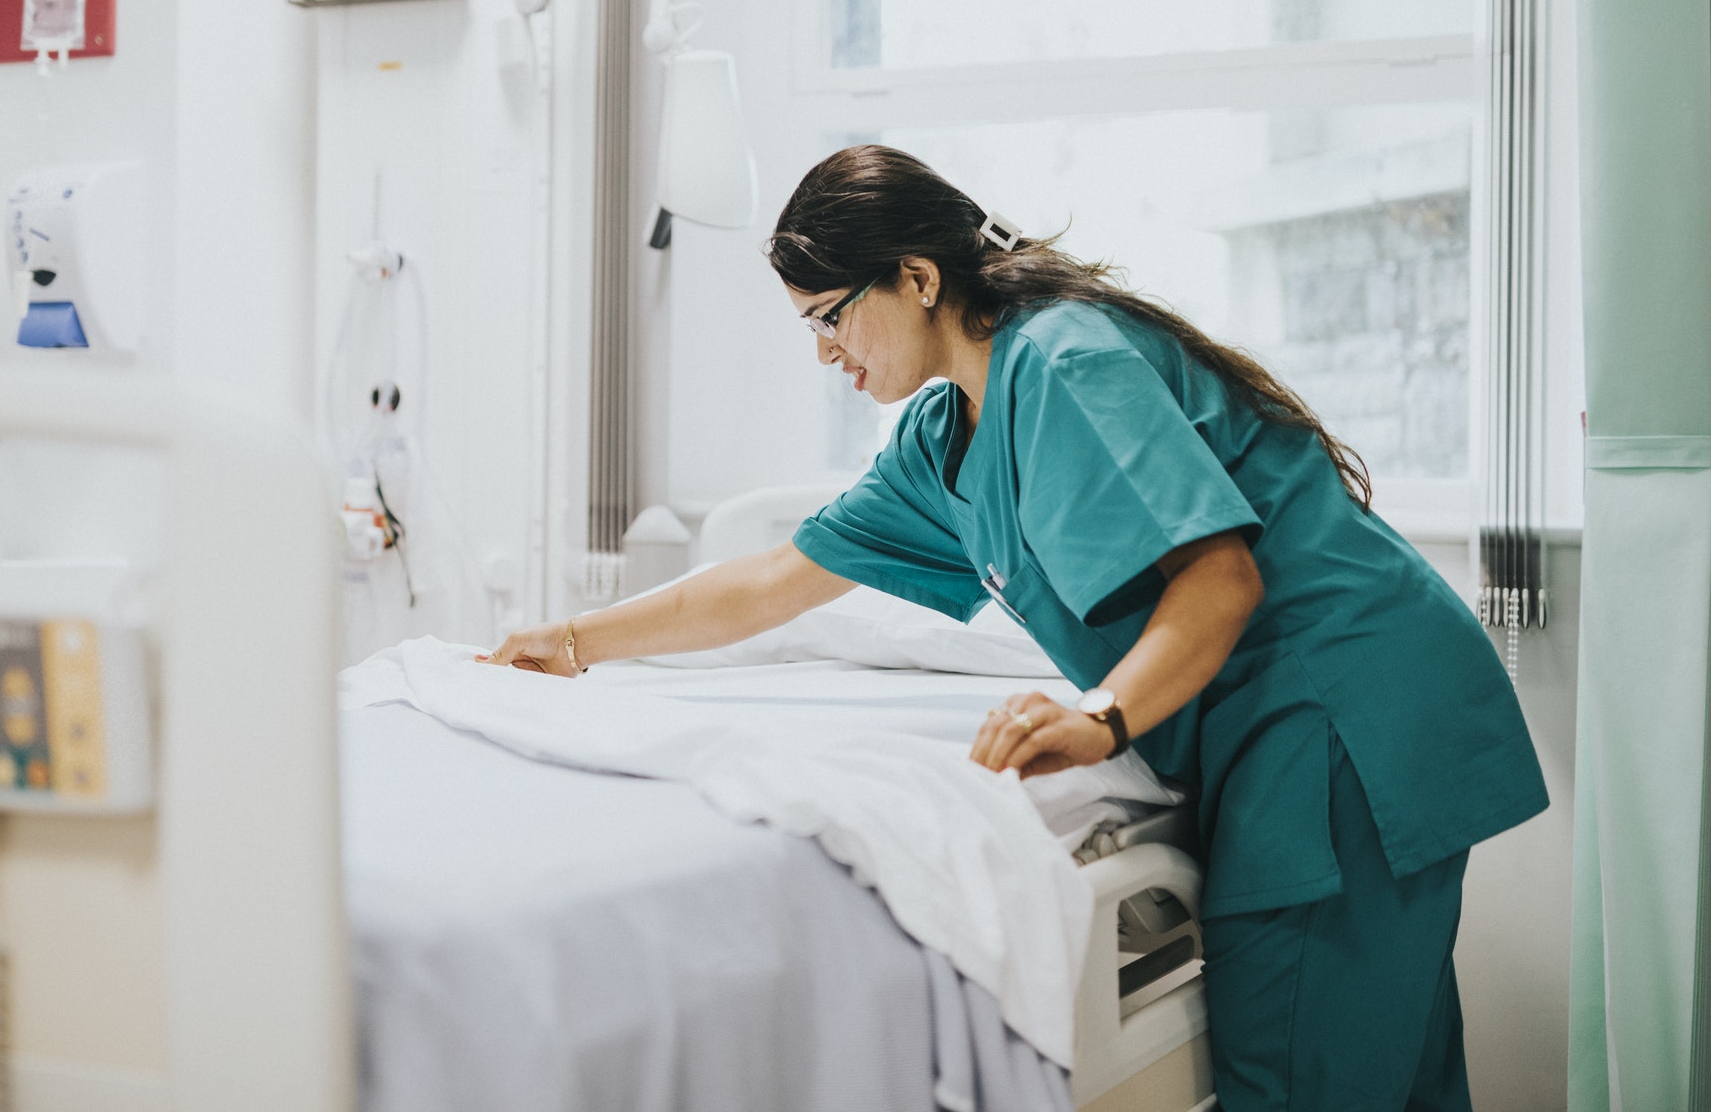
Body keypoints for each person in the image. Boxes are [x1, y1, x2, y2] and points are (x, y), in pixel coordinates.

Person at [483, 144, 1546, 1110]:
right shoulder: (944, 433)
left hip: (1340, 711)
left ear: (915, 276)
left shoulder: (1062, 362)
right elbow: (775, 574)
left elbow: (1218, 581)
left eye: (827, 317)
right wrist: (573, 641)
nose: (823, 354)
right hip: (1304, 722)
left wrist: (1098, 719)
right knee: (1389, 1078)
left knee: (1304, 1075)